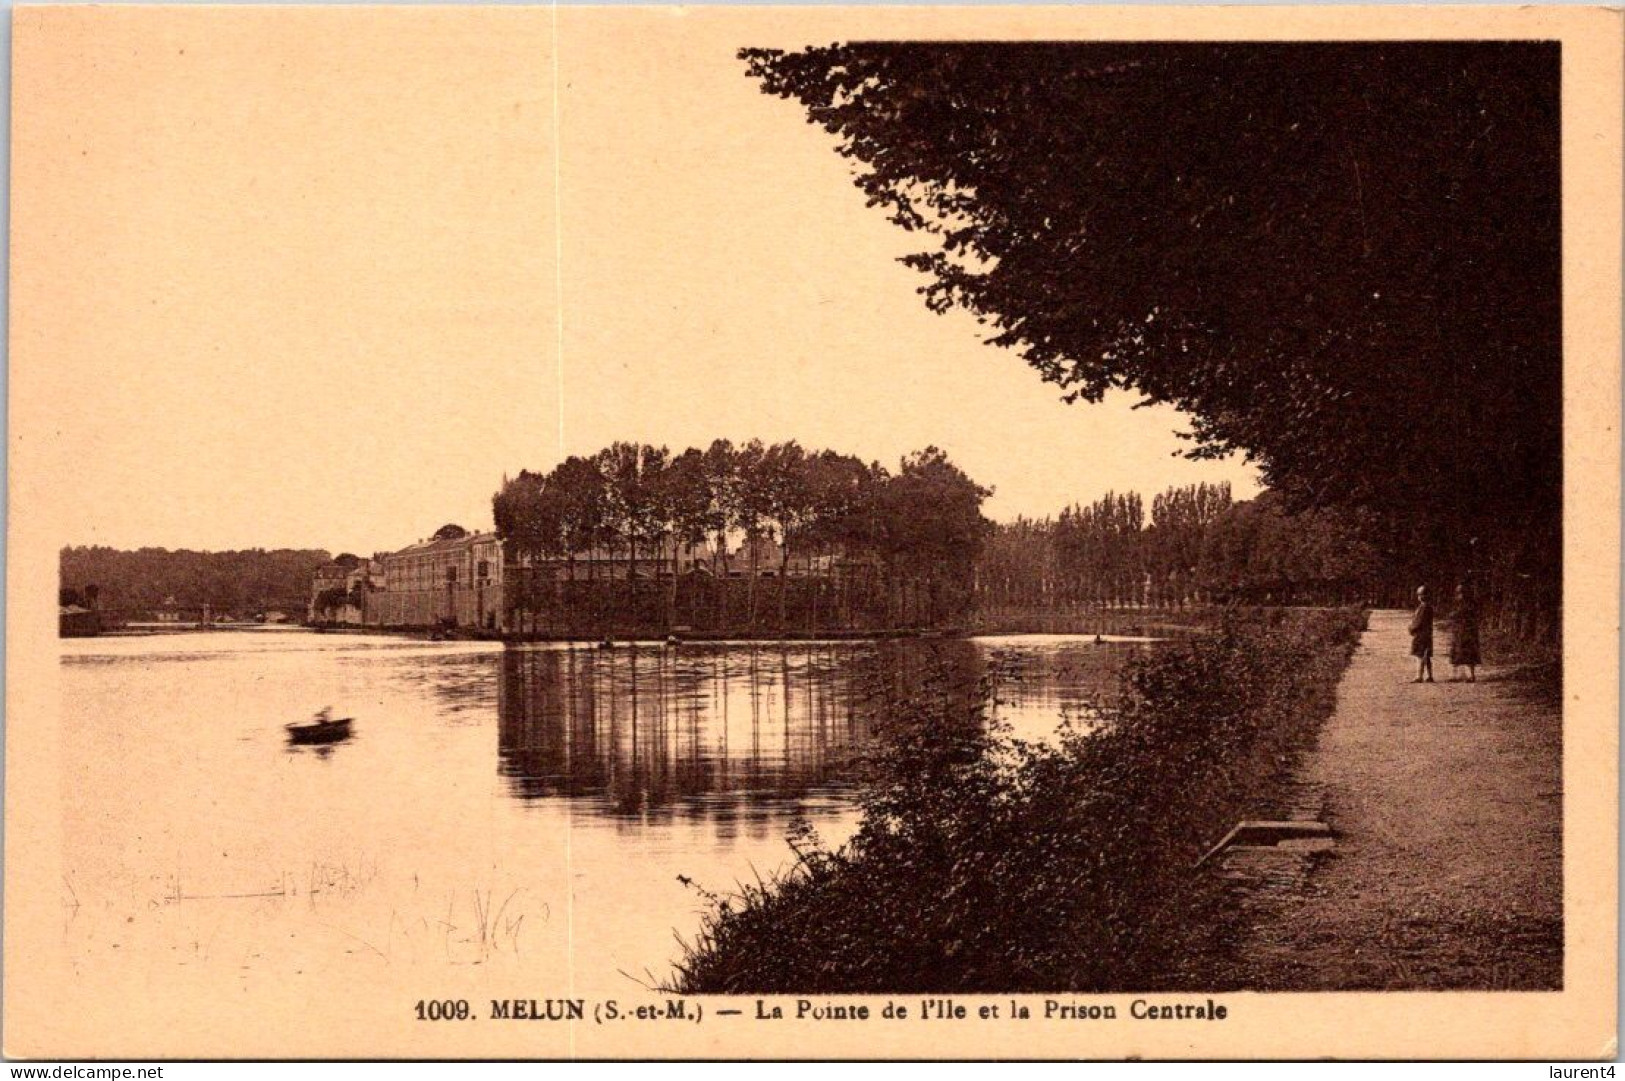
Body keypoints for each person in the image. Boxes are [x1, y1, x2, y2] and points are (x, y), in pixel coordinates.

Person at [1449, 582, 1483, 682]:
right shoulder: (1457, 604)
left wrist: (1454, 615)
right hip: (1459, 632)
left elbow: (1461, 615)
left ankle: (1471, 675)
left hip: (1468, 632)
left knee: (1468, 653)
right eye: (1459, 593)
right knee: (1456, 653)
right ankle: (1457, 675)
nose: (1461, 595)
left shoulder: (1470, 604)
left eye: (1462, 593)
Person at [1409, 586, 1435, 683]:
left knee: (1419, 655)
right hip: (1427, 635)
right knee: (1426, 656)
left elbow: (1419, 622)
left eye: (1420, 595)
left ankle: (1419, 676)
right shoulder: (1429, 607)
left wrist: (1412, 628)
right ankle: (1429, 675)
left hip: (1420, 635)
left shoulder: (1423, 608)